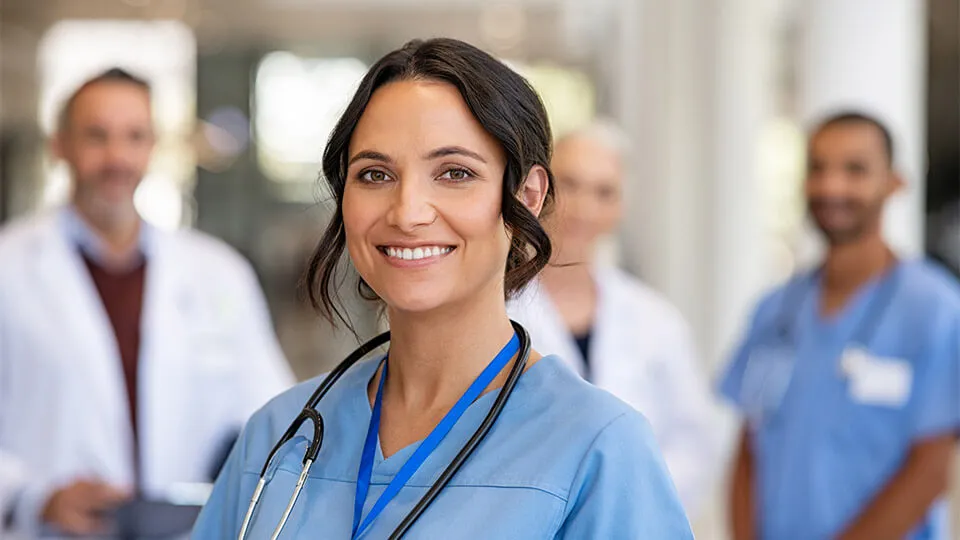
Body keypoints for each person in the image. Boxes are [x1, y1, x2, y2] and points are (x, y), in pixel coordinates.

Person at [191, 38, 693, 539]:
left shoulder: (598, 450)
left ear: (527, 196)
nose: (408, 212)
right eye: (375, 174)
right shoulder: (279, 437)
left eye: (455, 173)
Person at [0, 68, 294, 537]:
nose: (117, 157)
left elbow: (273, 415)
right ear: (60, 145)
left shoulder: (219, 274)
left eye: (134, 136)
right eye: (97, 136)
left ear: (152, 146)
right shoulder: (9, 268)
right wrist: (32, 497)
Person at [719, 111, 960, 539]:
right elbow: (748, 452)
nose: (832, 186)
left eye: (855, 169)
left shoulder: (936, 310)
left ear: (895, 183)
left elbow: (930, 471)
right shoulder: (776, 310)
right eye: (818, 168)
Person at [506, 120, 721, 516]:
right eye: (569, 183)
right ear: (535, 190)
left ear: (620, 207)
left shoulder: (656, 321)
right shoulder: (497, 311)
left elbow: (694, 442)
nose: (584, 207)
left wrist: (630, 498)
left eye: (604, 192)